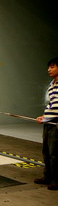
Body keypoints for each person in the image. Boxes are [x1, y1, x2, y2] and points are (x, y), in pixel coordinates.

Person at [35, 57, 58, 190]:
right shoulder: (51, 85)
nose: (49, 69)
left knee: (55, 153)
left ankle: (56, 180)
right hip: (48, 123)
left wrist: (49, 118)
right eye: (49, 67)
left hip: (56, 124)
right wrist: (44, 116)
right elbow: (51, 105)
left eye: (52, 67)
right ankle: (47, 176)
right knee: (46, 151)